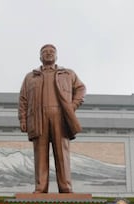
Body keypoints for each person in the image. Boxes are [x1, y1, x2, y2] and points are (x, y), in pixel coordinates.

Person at [18, 44, 86, 193]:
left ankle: (65, 187)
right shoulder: (31, 77)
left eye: (51, 52)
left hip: (60, 117)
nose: (48, 54)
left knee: (62, 153)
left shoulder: (67, 74)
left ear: (56, 56)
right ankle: (41, 187)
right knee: (40, 154)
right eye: (45, 52)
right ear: (40, 57)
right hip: (38, 118)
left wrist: (73, 105)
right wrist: (23, 120)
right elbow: (23, 99)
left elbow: (81, 89)